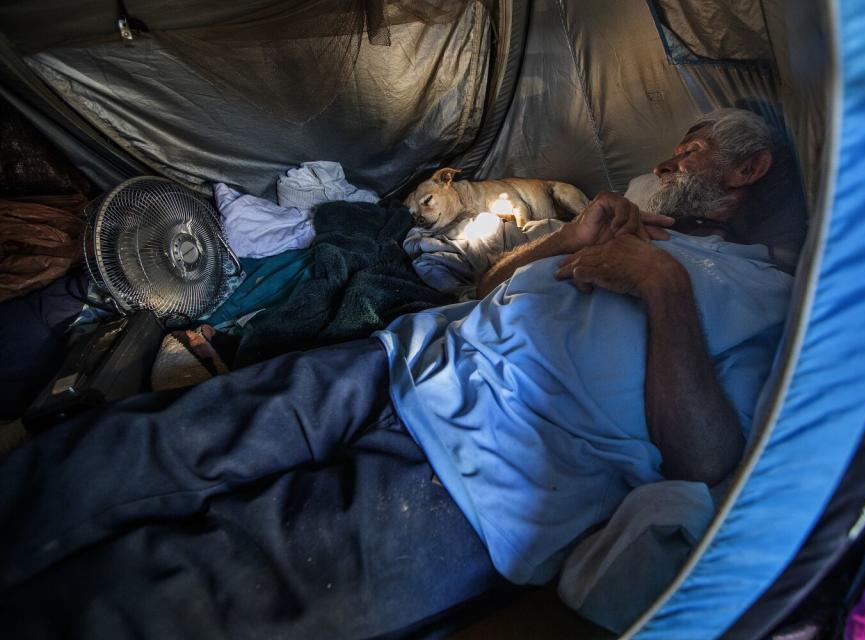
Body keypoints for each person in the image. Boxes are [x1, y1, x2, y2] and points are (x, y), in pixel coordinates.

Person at [0, 109, 799, 638]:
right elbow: (486, 289)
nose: (669, 155)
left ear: (748, 169)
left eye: (691, 147)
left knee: (191, 602)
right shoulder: (633, 226)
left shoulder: (773, 299)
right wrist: (565, 240)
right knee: (138, 452)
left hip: (479, 487)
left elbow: (704, 459)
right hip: (395, 364)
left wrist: (660, 288)